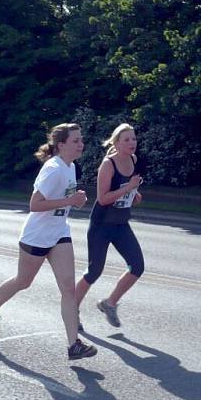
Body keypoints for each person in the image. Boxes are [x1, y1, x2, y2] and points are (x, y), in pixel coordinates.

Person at [0, 123, 97, 360]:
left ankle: (74, 345)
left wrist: (74, 201)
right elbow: (35, 204)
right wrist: (68, 201)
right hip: (37, 236)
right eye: (75, 141)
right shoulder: (53, 168)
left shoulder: (71, 167)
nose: (81, 144)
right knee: (23, 281)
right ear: (61, 145)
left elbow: (64, 200)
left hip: (59, 233)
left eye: (81, 140)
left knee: (68, 289)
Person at [75, 123, 144, 328]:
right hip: (101, 225)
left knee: (137, 267)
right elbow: (103, 198)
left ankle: (109, 303)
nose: (132, 143)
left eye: (133, 139)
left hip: (121, 224)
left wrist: (134, 195)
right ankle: (72, 309)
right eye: (127, 140)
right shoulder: (108, 164)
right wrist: (129, 188)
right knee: (94, 271)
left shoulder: (134, 160)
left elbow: (128, 192)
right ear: (116, 143)